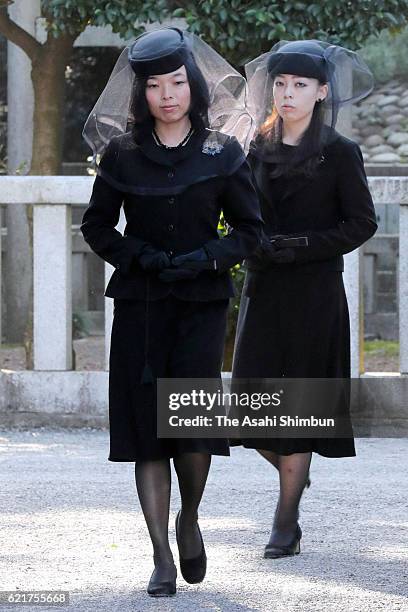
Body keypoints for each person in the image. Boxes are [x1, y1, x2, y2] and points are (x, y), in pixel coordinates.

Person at [81, 28, 262, 596]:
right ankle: (160, 554)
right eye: (155, 86)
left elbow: (251, 232)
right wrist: (141, 256)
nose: (167, 95)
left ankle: (189, 517)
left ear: (194, 87)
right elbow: (96, 226)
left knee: (189, 427)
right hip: (141, 304)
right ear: (141, 95)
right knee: (146, 434)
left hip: (201, 305)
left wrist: (209, 258)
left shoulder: (222, 152)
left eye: (177, 83)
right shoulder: (122, 154)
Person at [231, 40, 378, 559]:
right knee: (251, 409)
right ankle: (296, 470)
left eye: (299, 85)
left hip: (315, 292)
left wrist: (307, 246)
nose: (288, 93)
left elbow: (362, 222)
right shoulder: (252, 148)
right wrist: (256, 244)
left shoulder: (340, 151)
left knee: (300, 410)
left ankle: (286, 519)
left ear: (320, 93)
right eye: (281, 84)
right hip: (263, 287)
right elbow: (238, 214)